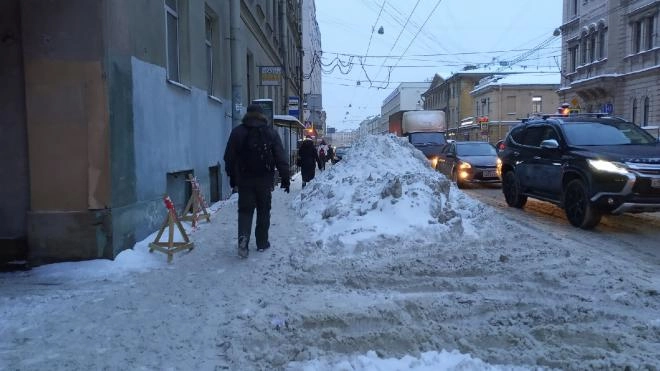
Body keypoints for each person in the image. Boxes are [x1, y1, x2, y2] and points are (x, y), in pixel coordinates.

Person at [224, 104, 290, 259]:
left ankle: (243, 239)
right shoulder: (270, 133)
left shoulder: (238, 132)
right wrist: (285, 178)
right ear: (262, 116)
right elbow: (281, 157)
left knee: (245, 211)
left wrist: (233, 177)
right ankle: (262, 242)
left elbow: (229, 157)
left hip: (245, 180)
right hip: (265, 180)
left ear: (247, 115)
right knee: (263, 211)